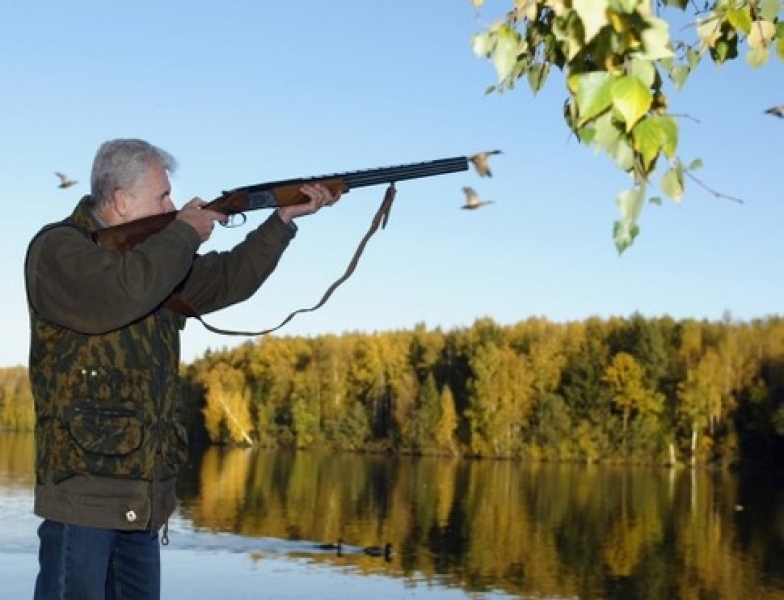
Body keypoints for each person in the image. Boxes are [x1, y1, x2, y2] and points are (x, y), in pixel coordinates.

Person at [24, 138, 341, 599]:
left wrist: (282, 220)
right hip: (84, 500)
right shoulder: (58, 249)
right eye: (163, 197)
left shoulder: (157, 257)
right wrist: (185, 231)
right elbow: (122, 291)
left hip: (145, 500)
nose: (173, 206)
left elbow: (228, 278)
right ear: (121, 200)